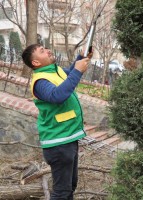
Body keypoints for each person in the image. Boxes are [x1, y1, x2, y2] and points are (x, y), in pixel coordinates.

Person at [21, 44, 92, 199]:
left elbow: (70, 77)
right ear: (36, 63)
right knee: (61, 192)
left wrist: (81, 57)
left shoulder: (55, 71)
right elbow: (57, 96)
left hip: (68, 138)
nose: (47, 50)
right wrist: (78, 70)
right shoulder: (40, 81)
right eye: (42, 51)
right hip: (58, 142)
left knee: (70, 187)